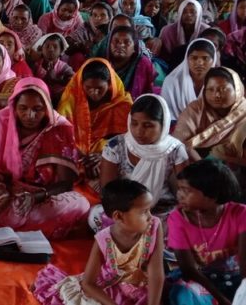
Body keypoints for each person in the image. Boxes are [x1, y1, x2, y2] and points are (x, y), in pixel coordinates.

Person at [0, 77, 90, 238]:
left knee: (80, 204)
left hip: (42, 197)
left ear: (47, 107)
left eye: (37, 109)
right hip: (5, 189)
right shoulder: (1, 119)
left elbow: (65, 183)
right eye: (23, 108)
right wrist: (0, 191)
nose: (30, 115)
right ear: (14, 106)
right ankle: (27, 227)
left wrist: (34, 197)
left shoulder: (59, 128)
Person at [32, 179, 164, 305]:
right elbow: (88, 283)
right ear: (118, 216)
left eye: (150, 210)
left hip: (143, 289)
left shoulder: (154, 227)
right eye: (144, 212)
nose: (150, 217)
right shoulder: (103, 239)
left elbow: (156, 274)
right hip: (110, 288)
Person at [88, 94, 188, 232]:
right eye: (134, 123)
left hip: (162, 212)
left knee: (180, 222)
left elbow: (183, 193)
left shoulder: (175, 150)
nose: (139, 131)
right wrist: (132, 214)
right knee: (96, 215)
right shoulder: (116, 146)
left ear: (163, 125)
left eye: (148, 125)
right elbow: (107, 191)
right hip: (125, 209)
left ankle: (141, 238)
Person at [167, 160, 245, 305]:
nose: (179, 194)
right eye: (179, 188)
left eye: (186, 190)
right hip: (202, 278)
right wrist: (221, 300)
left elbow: (245, 263)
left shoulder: (240, 213)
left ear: (212, 195)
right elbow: (188, 269)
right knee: (184, 294)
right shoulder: (177, 218)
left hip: (236, 276)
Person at [58, 59, 133, 190]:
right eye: (88, 88)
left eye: (99, 88)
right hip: (78, 155)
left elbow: (129, 139)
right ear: (82, 84)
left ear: (109, 84)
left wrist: (104, 155)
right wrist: (87, 160)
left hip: (110, 153)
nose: (94, 92)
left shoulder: (122, 104)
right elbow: (63, 136)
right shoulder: (70, 101)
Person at [174, 67, 246, 184]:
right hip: (197, 164)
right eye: (211, 89)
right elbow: (178, 141)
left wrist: (226, 160)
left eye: (223, 89)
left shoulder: (244, 112)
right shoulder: (196, 109)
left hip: (236, 168)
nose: (216, 95)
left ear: (237, 89)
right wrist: (203, 166)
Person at [162, 38, 221, 119]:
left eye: (205, 58)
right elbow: (167, 112)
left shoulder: (220, 83)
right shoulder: (172, 82)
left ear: (213, 60)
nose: (199, 63)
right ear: (187, 59)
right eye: (194, 58)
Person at [107, 25, 160, 98]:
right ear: (109, 44)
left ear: (134, 47)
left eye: (126, 42)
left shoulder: (144, 64)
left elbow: (149, 91)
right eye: (116, 41)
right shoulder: (102, 64)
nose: (121, 45)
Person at [159, 0, 208, 66]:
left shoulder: (206, 31)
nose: (188, 15)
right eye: (184, 12)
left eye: (193, 12)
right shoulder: (167, 31)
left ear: (199, 13)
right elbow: (164, 56)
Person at [32, 33, 75, 105]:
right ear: (41, 49)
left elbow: (73, 80)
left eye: (55, 47)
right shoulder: (37, 65)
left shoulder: (63, 67)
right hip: (40, 97)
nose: (51, 50)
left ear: (61, 51)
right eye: (47, 46)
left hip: (59, 99)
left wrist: (56, 79)